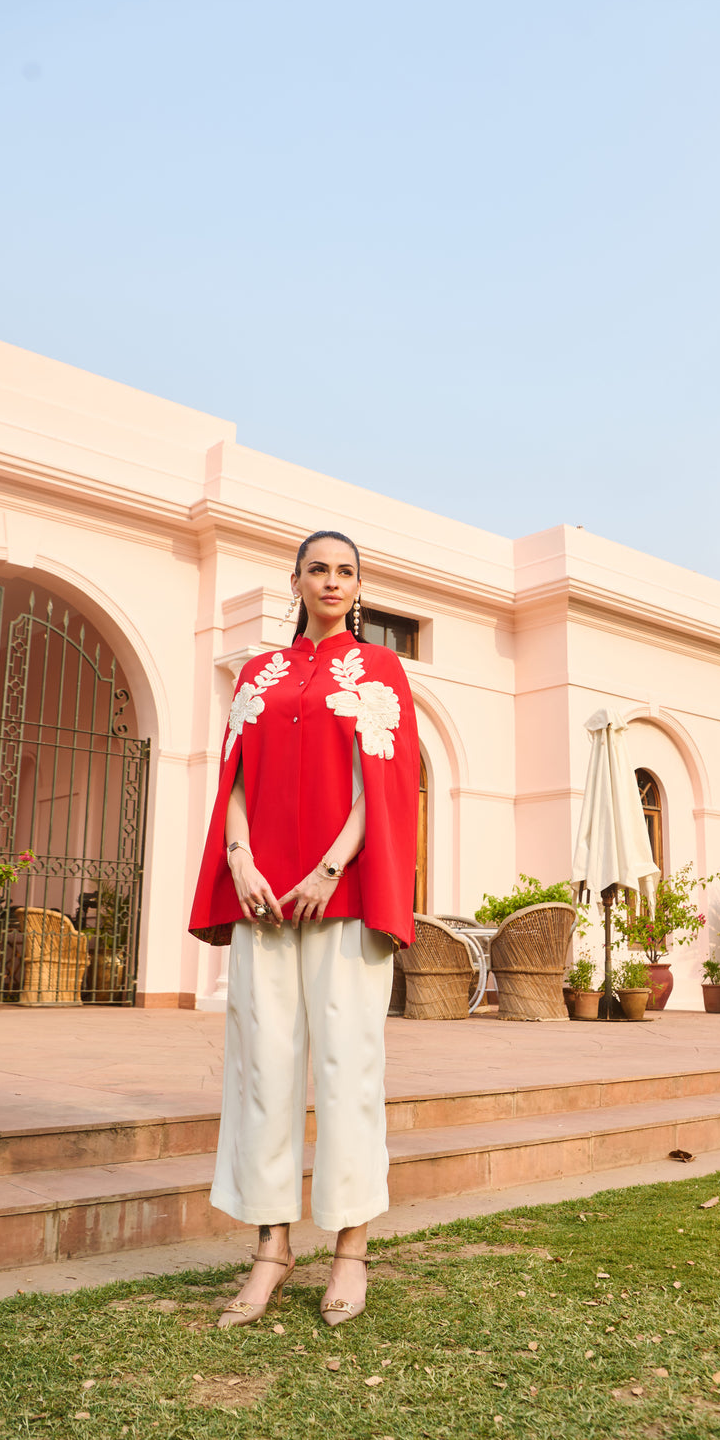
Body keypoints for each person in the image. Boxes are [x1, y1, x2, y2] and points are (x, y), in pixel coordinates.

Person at [189, 530, 419, 1328]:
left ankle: (351, 1249)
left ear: (361, 587)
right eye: (317, 569)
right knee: (262, 1069)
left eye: (345, 571)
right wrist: (240, 858)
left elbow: (383, 782)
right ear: (296, 580)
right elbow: (235, 775)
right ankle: (271, 1250)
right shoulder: (261, 671)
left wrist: (328, 868)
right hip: (260, 897)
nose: (331, 581)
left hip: (341, 896)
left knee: (348, 1067)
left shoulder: (379, 668)